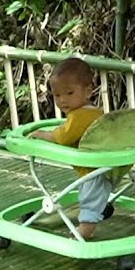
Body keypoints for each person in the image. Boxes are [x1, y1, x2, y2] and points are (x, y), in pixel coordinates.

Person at [31, 58, 108, 239]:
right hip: (104, 165)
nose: (63, 100)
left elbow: (63, 137)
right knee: (93, 194)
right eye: (57, 95)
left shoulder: (79, 116)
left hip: (93, 168)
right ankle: (97, 210)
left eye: (70, 93)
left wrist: (43, 135)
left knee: (89, 198)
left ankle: (85, 230)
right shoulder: (95, 111)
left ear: (88, 91)